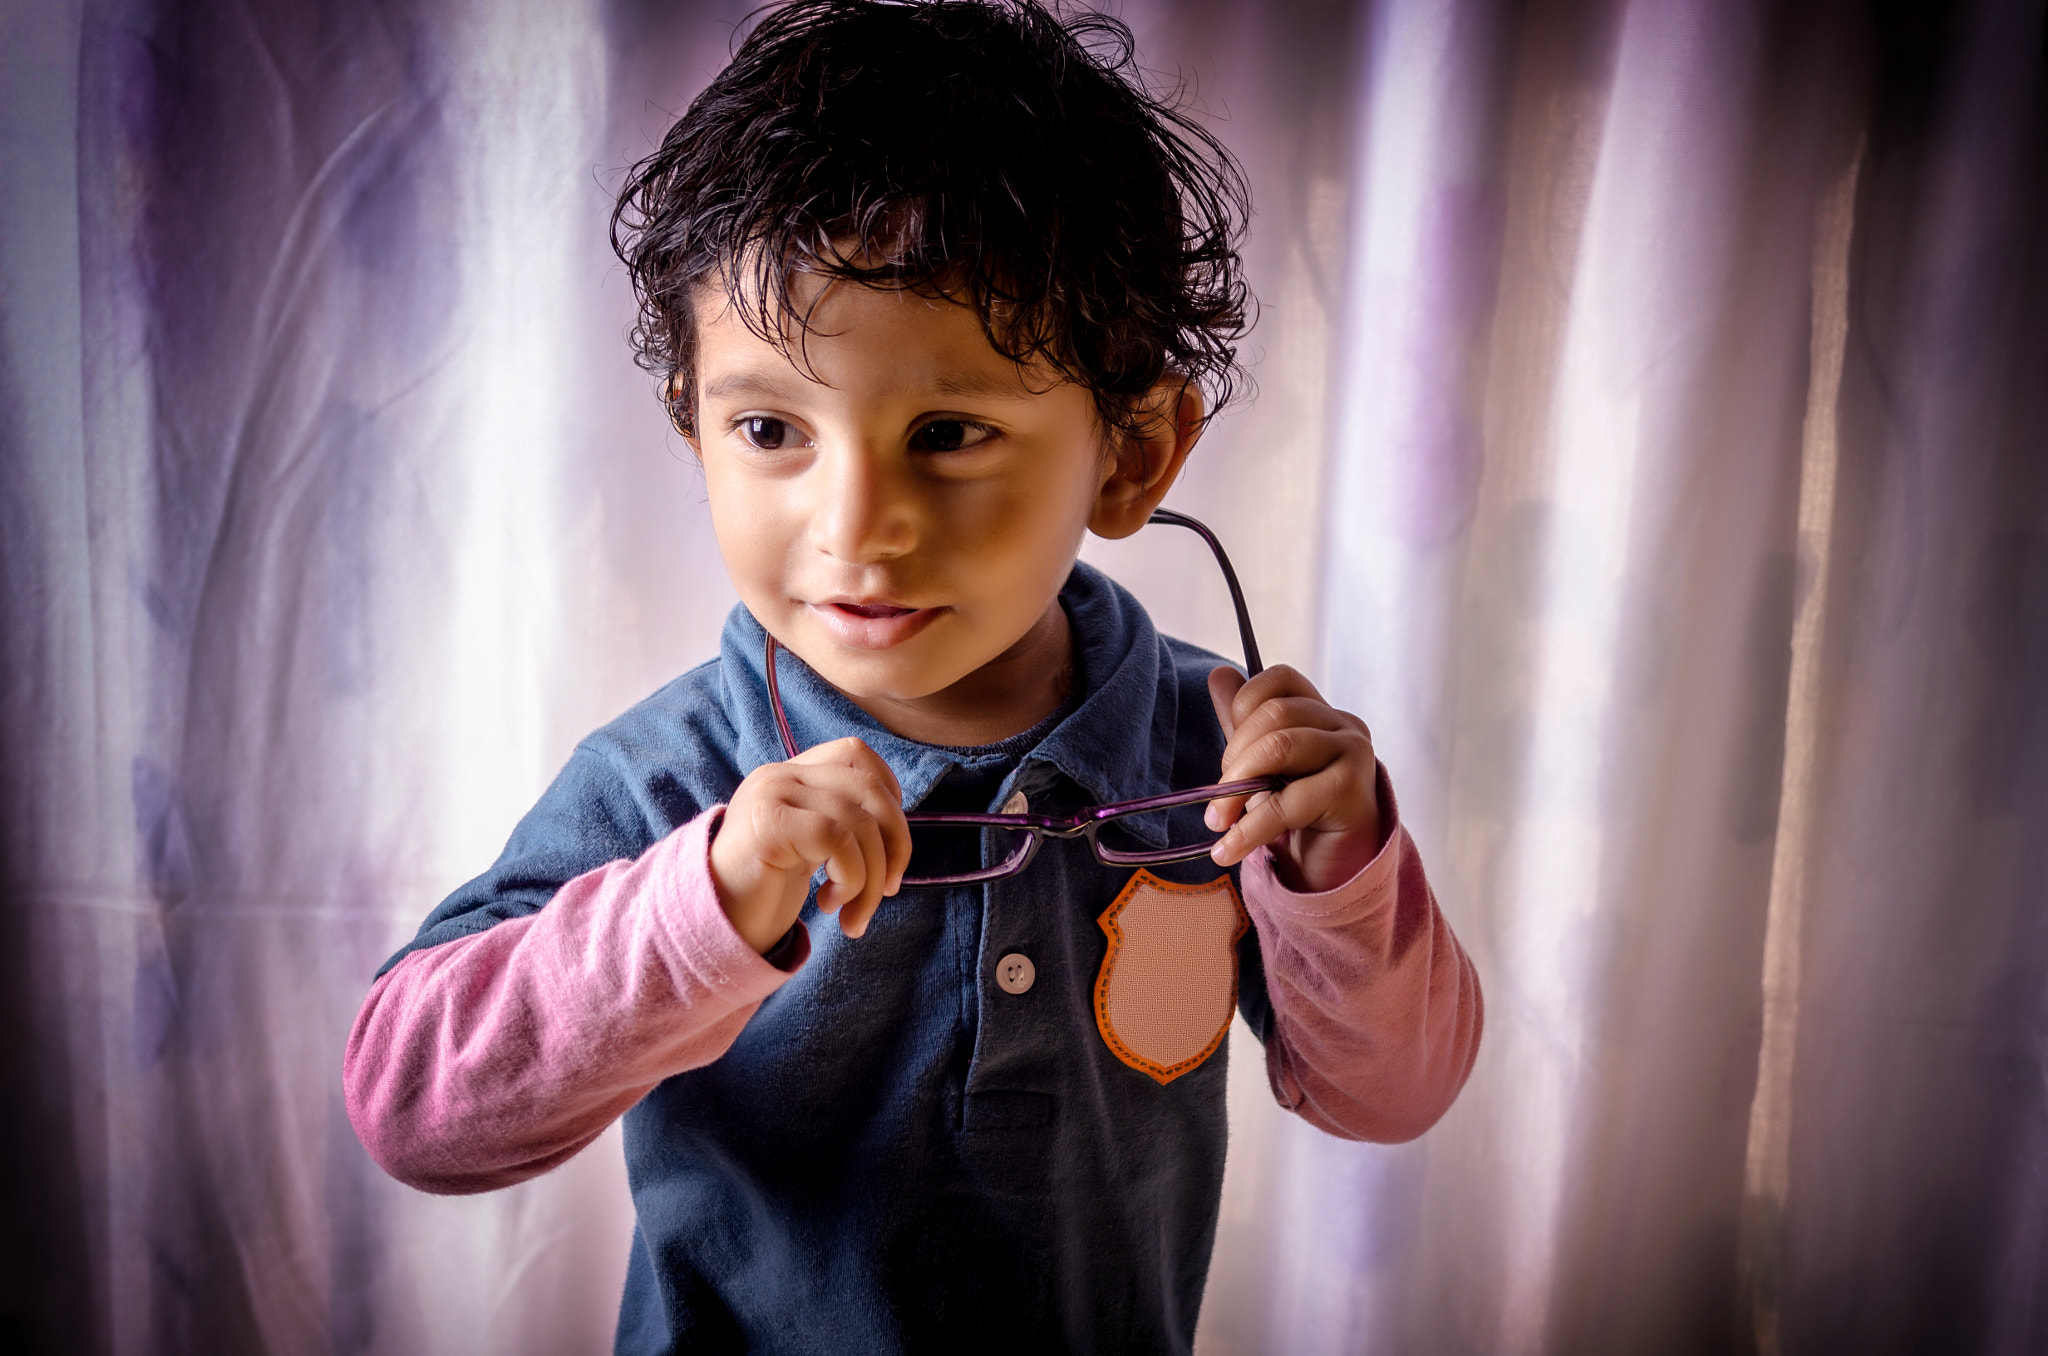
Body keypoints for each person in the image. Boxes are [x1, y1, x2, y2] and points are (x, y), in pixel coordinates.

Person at [344, 2, 1481, 1351]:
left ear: (1133, 457)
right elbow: (413, 1108)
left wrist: (1339, 874)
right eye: (770, 426)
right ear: (692, 429)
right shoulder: (675, 778)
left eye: (947, 433)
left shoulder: (1211, 762)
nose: (853, 523)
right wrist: (702, 901)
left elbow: (1390, 1095)